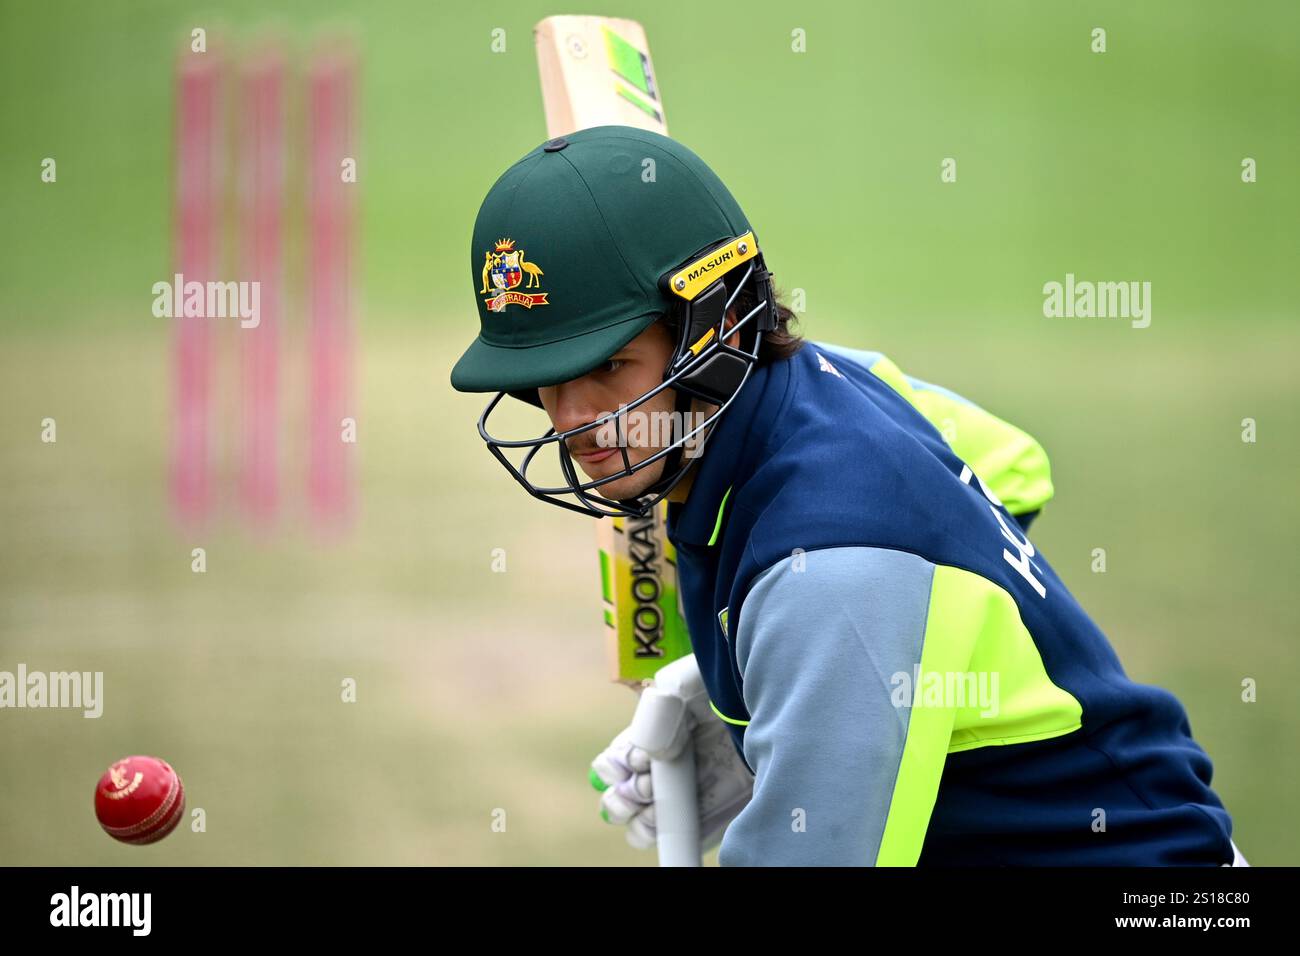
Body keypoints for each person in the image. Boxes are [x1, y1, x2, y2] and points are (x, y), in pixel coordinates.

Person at [451, 125, 1243, 866]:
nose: (574, 421)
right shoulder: (832, 379)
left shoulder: (830, 572)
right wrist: (765, 689)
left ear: (715, 333)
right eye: (545, 383)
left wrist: (820, 692)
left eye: (609, 367)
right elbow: (1012, 465)